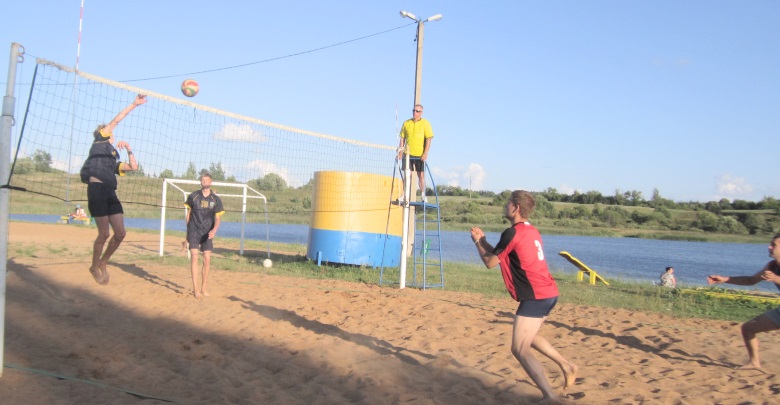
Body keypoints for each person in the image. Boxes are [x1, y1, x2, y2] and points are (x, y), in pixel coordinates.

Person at [470, 190, 578, 402]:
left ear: (516, 207)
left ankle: (550, 395)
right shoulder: (531, 231)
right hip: (549, 293)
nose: (505, 205)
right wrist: (483, 240)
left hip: (536, 295)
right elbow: (501, 254)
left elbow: (490, 262)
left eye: (508, 202)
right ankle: (567, 365)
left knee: (519, 348)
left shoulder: (512, 233)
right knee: (529, 337)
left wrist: (476, 243)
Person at [79, 94, 146, 285]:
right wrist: (134, 104)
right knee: (104, 234)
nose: (113, 132)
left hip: (110, 191)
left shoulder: (112, 156)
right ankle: (94, 266)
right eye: (110, 130)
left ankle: (103, 262)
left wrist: (129, 149)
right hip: (97, 189)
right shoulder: (100, 141)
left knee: (120, 233)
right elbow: (116, 120)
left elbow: (133, 167)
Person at [707, 234, 780, 370]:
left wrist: (776, 279)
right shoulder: (772, 266)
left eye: (773, 245)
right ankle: (754, 363)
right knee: (748, 328)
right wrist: (725, 279)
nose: (769, 247)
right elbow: (750, 280)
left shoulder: (773, 272)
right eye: (770, 244)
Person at [185, 173, 224, 299]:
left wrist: (214, 230)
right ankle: (196, 290)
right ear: (201, 182)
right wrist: (188, 231)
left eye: (206, 180)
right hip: (194, 230)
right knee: (194, 257)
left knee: (207, 258)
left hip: (207, 232)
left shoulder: (215, 199)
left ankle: (203, 288)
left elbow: (218, 219)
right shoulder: (193, 196)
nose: (204, 181)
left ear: (210, 182)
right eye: (202, 180)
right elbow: (188, 214)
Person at [397, 104, 434, 203]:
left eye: (417, 111)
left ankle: (423, 195)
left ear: (421, 113)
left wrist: (425, 153)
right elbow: (402, 138)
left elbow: (429, 139)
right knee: (407, 174)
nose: (415, 112)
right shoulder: (406, 123)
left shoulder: (425, 123)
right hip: (407, 154)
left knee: (421, 175)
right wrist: (400, 152)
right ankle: (404, 194)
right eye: (414, 110)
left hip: (419, 155)